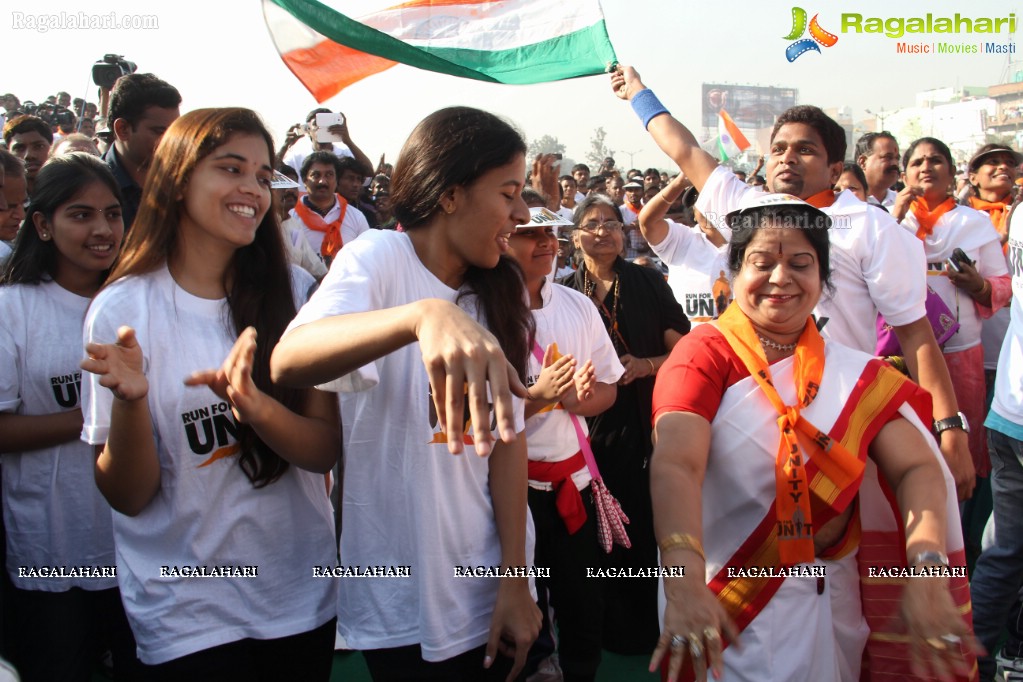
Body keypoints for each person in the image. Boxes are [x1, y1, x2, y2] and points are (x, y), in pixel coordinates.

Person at [649, 193, 980, 681]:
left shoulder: (851, 373)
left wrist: (926, 569)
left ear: (823, 280)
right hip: (724, 602)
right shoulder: (704, 355)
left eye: (800, 264)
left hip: (833, 602)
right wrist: (681, 581)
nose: (781, 278)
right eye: (762, 263)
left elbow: (917, 468)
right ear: (733, 273)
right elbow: (677, 462)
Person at [611, 65, 976, 504]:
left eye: (805, 150)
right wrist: (638, 93)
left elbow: (916, 334)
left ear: (835, 167)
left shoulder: (871, 228)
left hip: (842, 415)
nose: (786, 157)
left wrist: (949, 427)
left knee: (839, 558)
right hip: (752, 413)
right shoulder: (749, 208)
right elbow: (685, 149)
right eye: (779, 148)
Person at [270, 106, 542, 681]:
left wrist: (516, 580)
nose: (521, 214)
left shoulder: (496, 287)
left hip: (489, 582)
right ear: (450, 195)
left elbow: (508, 445)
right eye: (509, 193)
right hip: (400, 588)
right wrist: (420, 316)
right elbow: (290, 358)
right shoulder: (379, 258)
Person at [79, 108, 338, 679]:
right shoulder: (122, 310)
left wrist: (255, 405)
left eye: (263, 175)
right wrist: (130, 403)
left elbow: (322, 452)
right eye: (230, 168)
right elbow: (128, 495)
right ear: (177, 179)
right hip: (185, 611)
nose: (251, 188)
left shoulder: (299, 293)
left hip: (298, 597)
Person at [0, 154, 139, 681]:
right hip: (53, 548)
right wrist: (98, 415)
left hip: (138, 548)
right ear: (42, 224)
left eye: (112, 214)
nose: (102, 230)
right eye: (81, 215)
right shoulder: (12, 309)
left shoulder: (139, 301)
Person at [559, 194, 690, 654]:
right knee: (596, 523)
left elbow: (683, 348)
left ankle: (648, 626)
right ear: (575, 237)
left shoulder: (649, 282)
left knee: (643, 516)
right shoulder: (564, 291)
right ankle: (604, 627)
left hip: (644, 415)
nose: (604, 231)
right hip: (585, 425)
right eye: (592, 224)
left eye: (612, 223)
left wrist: (648, 364)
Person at [506, 207, 623, 682]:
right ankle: (533, 666)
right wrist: (537, 399)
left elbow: (609, 386)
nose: (546, 242)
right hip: (510, 489)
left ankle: (579, 670)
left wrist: (583, 399)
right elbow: (476, 422)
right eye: (529, 233)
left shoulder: (577, 306)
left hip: (574, 481)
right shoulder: (478, 310)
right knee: (521, 600)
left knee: (582, 596)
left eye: (551, 232)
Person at [891, 137, 1011, 480]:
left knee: (960, 449)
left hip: (961, 353)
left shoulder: (974, 223)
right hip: (901, 354)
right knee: (907, 448)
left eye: (935, 161)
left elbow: (1002, 286)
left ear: (952, 172)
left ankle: (961, 528)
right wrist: (893, 219)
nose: (926, 168)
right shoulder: (888, 222)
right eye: (916, 163)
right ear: (905, 174)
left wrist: (979, 286)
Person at [971, 205, 1023, 679]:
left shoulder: (1021, 212)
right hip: (1012, 412)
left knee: (1007, 548)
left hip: (1010, 406)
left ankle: (973, 658)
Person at [639, 173, 730, 324]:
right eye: (702, 202)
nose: (709, 208)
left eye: (716, 201)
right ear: (694, 213)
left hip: (737, 343)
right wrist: (679, 183)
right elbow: (648, 222)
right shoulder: (681, 239)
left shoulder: (748, 243)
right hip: (688, 342)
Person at [102, 73, 182, 231]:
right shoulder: (88, 187)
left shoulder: (181, 187)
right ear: (122, 129)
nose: (170, 141)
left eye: (175, 132)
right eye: (159, 132)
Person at [856, 131, 901, 209]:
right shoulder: (849, 201)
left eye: (897, 158)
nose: (895, 163)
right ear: (863, 162)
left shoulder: (902, 202)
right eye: (888, 157)